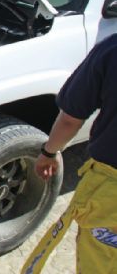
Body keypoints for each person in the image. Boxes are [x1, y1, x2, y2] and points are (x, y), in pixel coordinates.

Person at [22, 34, 117, 274]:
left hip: (110, 191)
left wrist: (49, 152)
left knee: (101, 262)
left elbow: (70, 119)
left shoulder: (111, 50)